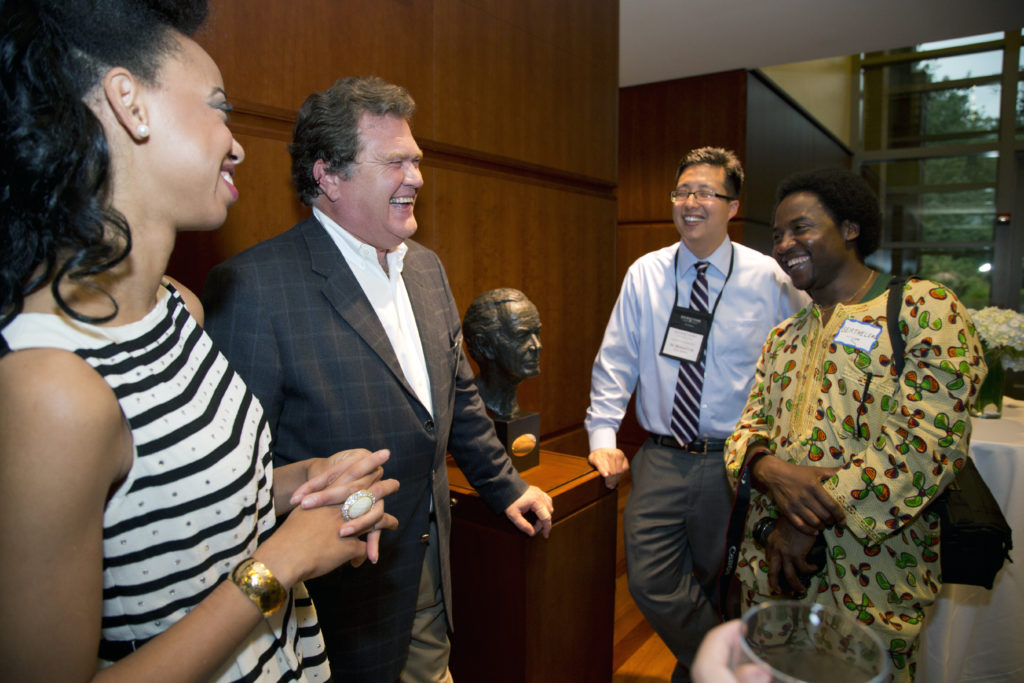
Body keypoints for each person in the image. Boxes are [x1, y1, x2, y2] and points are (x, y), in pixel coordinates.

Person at [0, 1, 400, 681]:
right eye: (217, 107)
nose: (237, 142)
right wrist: (282, 562)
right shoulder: (48, 390)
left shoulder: (178, 308)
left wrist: (293, 486)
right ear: (130, 104)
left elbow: (170, 522)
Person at [201, 75, 554, 683]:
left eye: (416, 161)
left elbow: (454, 397)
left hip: (429, 570)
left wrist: (507, 487)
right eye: (395, 162)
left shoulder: (427, 269)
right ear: (328, 176)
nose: (416, 177)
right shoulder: (254, 289)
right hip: (333, 603)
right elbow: (236, 482)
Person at [724, 167, 986, 682]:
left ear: (849, 228)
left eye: (800, 228)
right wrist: (767, 469)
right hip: (773, 573)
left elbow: (927, 443)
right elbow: (743, 435)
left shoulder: (921, 310)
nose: (784, 244)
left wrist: (805, 522)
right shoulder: (783, 336)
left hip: (872, 581)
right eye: (777, 234)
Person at [585, 147, 808, 681]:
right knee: (650, 578)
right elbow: (616, 358)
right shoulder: (646, 273)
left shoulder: (771, 279)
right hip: (660, 456)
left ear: (732, 207)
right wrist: (601, 434)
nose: (691, 202)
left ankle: (698, 672)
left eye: (706, 193)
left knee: (723, 581)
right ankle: (729, 663)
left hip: (735, 462)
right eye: (682, 192)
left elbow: (801, 368)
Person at [462, 287, 542, 418]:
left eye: (537, 333)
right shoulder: (468, 408)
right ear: (484, 345)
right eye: (521, 336)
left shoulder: (507, 403)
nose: (537, 346)